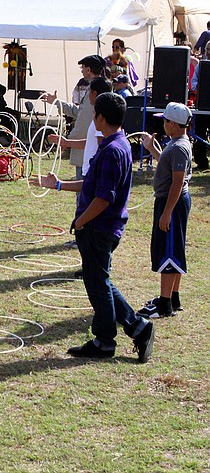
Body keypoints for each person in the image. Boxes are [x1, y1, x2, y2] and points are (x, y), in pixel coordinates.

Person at [32, 93, 155, 363]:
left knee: (98, 284)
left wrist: (81, 221)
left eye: (94, 114)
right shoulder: (116, 144)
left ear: (100, 117)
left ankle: (105, 340)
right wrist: (60, 184)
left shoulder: (112, 150)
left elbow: (104, 197)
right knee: (99, 280)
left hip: (100, 228)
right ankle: (137, 327)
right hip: (102, 226)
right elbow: (91, 184)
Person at [135, 103, 192, 318]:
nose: (163, 124)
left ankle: (164, 304)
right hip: (173, 201)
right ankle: (173, 297)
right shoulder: (178, 143)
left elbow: (177, 182)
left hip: (172, 202)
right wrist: (152, 149)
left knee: (168, 252)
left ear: (173, 124)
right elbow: (167, 167)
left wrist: (167, 212)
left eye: (165, 120)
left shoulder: (178, 147)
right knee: (175, 248)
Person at [44, 55, 106, 178]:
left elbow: (84, 121)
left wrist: (68, 141)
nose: (82, 71)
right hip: (88, 146)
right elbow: (81, 112)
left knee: (83, 190)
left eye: (83, 68)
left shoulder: (94, 90)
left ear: (88, 70)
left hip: (86, 149)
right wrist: (57, 102)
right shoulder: (98, 87)